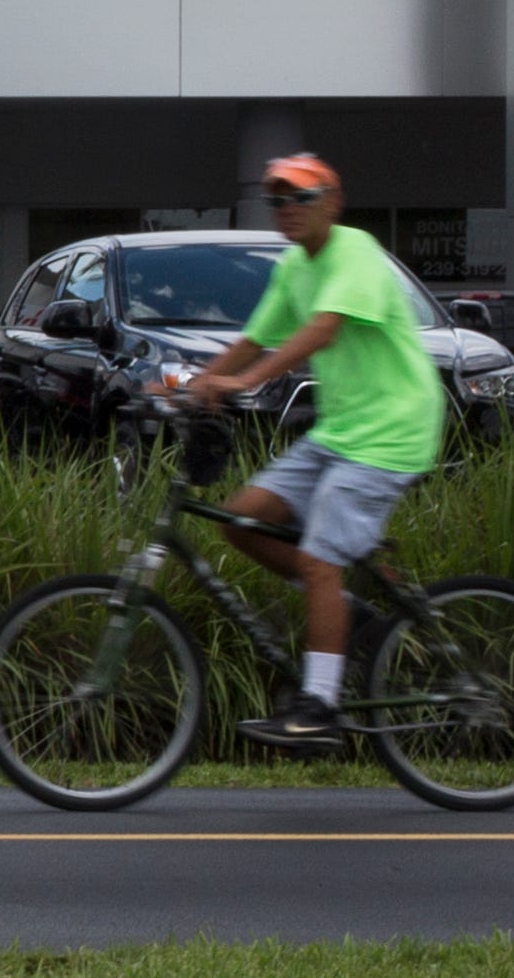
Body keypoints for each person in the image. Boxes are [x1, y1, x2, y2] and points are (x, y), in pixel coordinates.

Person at [162, 154, 445, 752]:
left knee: (318, 558)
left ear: (333, 202)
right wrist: (195, 387)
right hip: (343, 431)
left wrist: (247, 382)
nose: (288, 210)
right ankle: (352, 618)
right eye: (279, 200)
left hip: (392, 430)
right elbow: (254, 338)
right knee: (245, 519)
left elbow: (325, 328)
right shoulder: (295, 267)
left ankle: (319, 706)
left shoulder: (355, 252)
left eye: (301, 198)